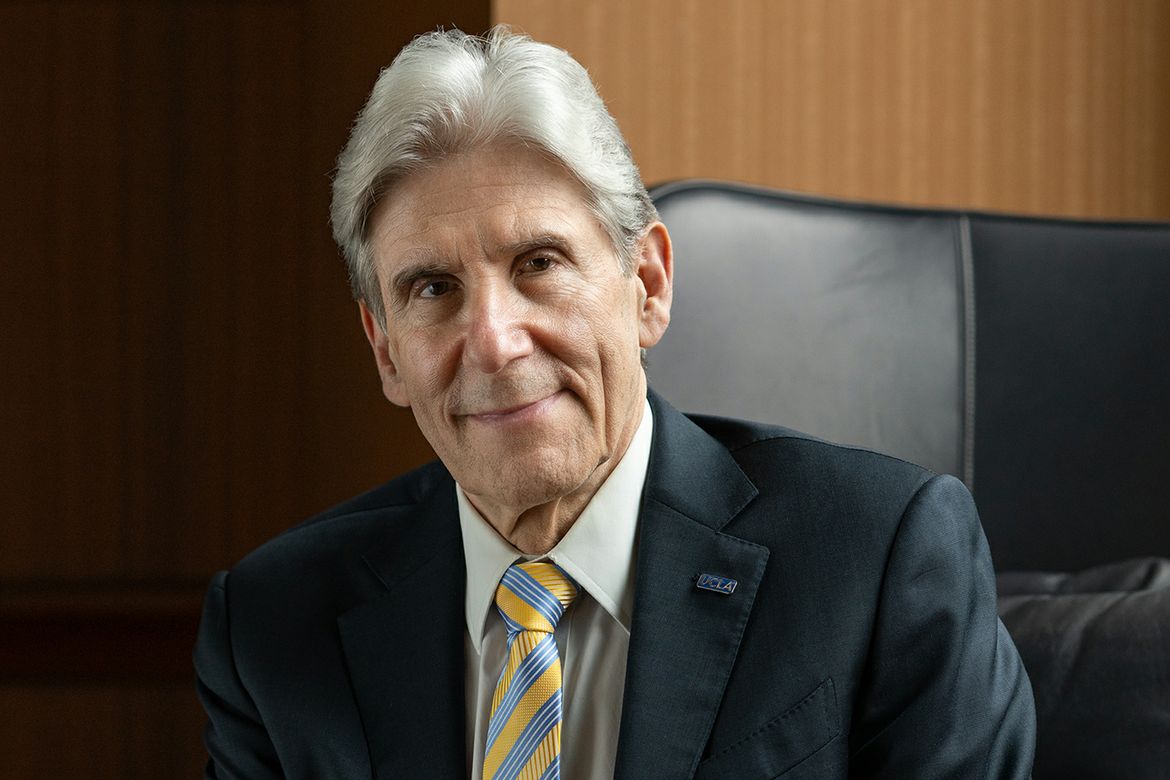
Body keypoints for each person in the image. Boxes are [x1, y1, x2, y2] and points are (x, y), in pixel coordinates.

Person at [194, 26, 1035, 779]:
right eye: (434, 288)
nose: (494, 341)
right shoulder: (272, 628)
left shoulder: (876, 558)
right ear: (386, 351)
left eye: (539, 264)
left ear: (648, 285)